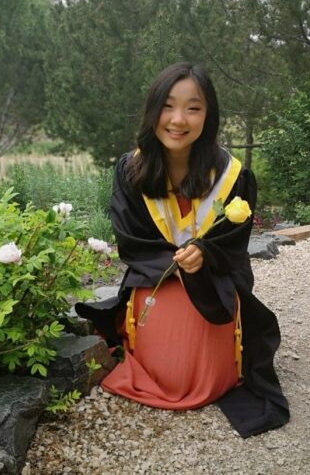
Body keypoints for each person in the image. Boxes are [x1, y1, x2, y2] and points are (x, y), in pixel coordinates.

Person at [76, 62, 289, 437]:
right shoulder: (131, 169)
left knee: (198, 341)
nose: (178, 119)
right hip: (155, 274)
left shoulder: (232, 176)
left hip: (215, 280)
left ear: (209, 115)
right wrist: (176, 263)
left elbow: (234, 245)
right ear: (153, 109)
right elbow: (131, 239)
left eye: (193, 107)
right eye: (168, 106)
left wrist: (205, 254)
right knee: (173, 362)